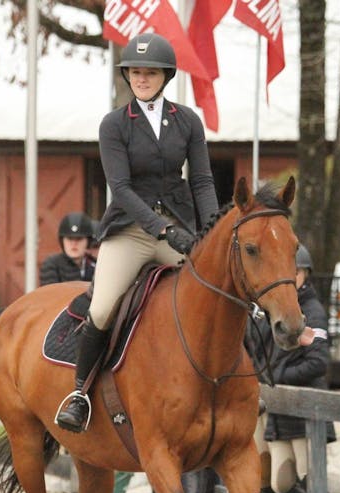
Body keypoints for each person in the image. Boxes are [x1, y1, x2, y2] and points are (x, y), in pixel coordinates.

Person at [55, 32, 219, 433]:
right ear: (127, 76)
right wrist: (162, 229)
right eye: (135, 72)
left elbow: (201, 180)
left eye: (150, 72)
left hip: (180, 227)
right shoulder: (115, 124)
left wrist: (210, 229)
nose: (142, 78)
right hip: (131, 231)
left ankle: (233, 385)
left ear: (165, 76)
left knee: (218, 291)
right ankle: (80, 393)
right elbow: (122, 189)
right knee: (104, 305)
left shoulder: (187, 122)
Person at [247, 244, 340, 493]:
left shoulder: (311, 311)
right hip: (280, 406)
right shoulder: (276, 309)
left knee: (304, 475)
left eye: (294, 272)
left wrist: (280, 378)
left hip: (303, 409)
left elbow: (318, 362)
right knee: (281, 479)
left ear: (304, 274)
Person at [39, 212, 97, 285]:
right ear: (62, 241)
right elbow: (50, 294)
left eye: (79, 239)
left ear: (88, 241)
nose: (74, 244)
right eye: (70, 239)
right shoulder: (52, 264)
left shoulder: (95, 265)